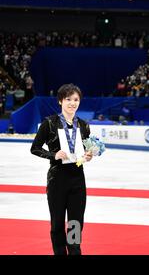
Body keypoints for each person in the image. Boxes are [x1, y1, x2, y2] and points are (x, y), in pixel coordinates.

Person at [30, 84, 93, 255]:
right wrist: (53, 155)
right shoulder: (49, 123)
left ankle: (74, 252)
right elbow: (35, 148)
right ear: (60, 101)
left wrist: (88, 156)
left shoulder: (83, 125)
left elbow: (86, 149)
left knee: (75, 222)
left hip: (77, 179)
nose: (72, 103)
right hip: (57, 179)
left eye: (76, 100)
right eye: (68, 99)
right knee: (57, 223)